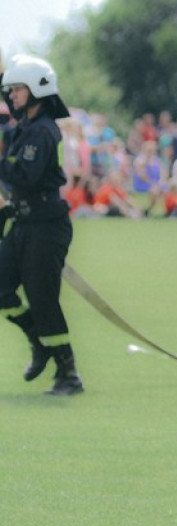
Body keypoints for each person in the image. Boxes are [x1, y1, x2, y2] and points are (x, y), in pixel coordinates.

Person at [0, 55, 85, 395]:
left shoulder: (44, 130)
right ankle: (39, 341)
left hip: (45, 226)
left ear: (37, 89)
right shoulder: (23, 128)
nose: (13, 96)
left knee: (43, 299)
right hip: (23, 222)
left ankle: (68, 372)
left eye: (18, 89)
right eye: (11, 90)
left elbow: (27, 176)